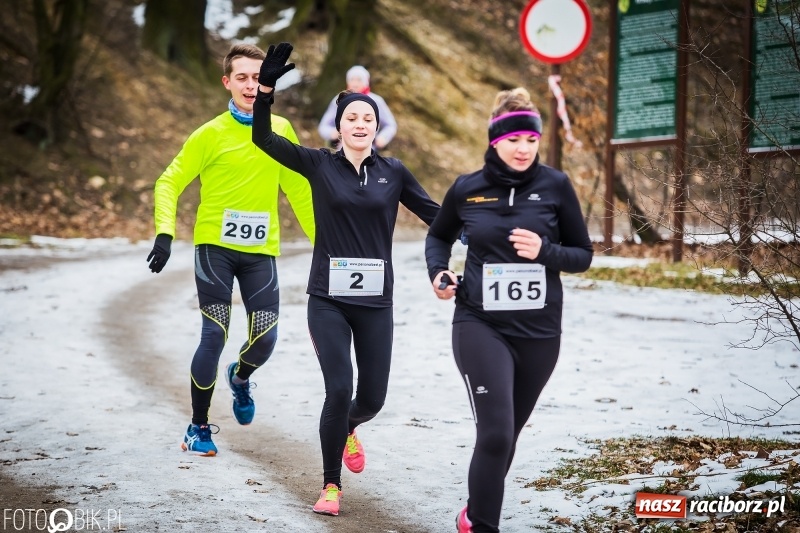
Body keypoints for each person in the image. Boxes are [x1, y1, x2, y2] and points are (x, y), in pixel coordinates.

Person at [252, 43, 439, 516]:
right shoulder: (319, 164)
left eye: (367, 118)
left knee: (371, 399)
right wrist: (266, 91)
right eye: (351, 117)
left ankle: (350, 426)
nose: (359, 124)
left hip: (376, 303)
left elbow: (436, 215)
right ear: (339, 127)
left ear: (377, 128)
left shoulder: (394, 173)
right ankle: (331, 485)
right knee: (338, 389)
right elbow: (264, 139)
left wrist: (486, 230)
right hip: (328, 300)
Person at [424, 88, 593, 533]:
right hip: (479, 323)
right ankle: (484, 525)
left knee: (508, 434)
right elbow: (438, 236)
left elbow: (583, 255)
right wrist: (439, 273)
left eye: (531, 140)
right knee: (496, 433)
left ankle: (474, 510)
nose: (524, 149)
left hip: (539, 332)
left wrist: (545, 251)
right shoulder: (467, 188)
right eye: (514, 139)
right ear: (495, 140)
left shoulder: (555, 186)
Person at [146, 43, 315, 457]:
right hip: (214, 250)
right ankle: (198, 427)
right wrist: (165, 232)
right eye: (242, 77)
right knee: (214, 333)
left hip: (260, 251)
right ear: (227, 82)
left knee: (266, 338)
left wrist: (325, 244)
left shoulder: (281, 130)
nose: (251, 84)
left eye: (258, 77)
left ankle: (240, 377)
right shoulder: (210, 134)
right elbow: (169, 181)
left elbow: (300, 191)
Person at [317, 65, 398, 151]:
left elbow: (391, 125)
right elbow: (323, 126)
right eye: (352, 79)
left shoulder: (377, 101)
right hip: (342, 152)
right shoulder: (339, 100)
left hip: (369, 151)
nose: (355, 83)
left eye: (359, 80)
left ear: (366, 82)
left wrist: (383, 137)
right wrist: (332, 133)